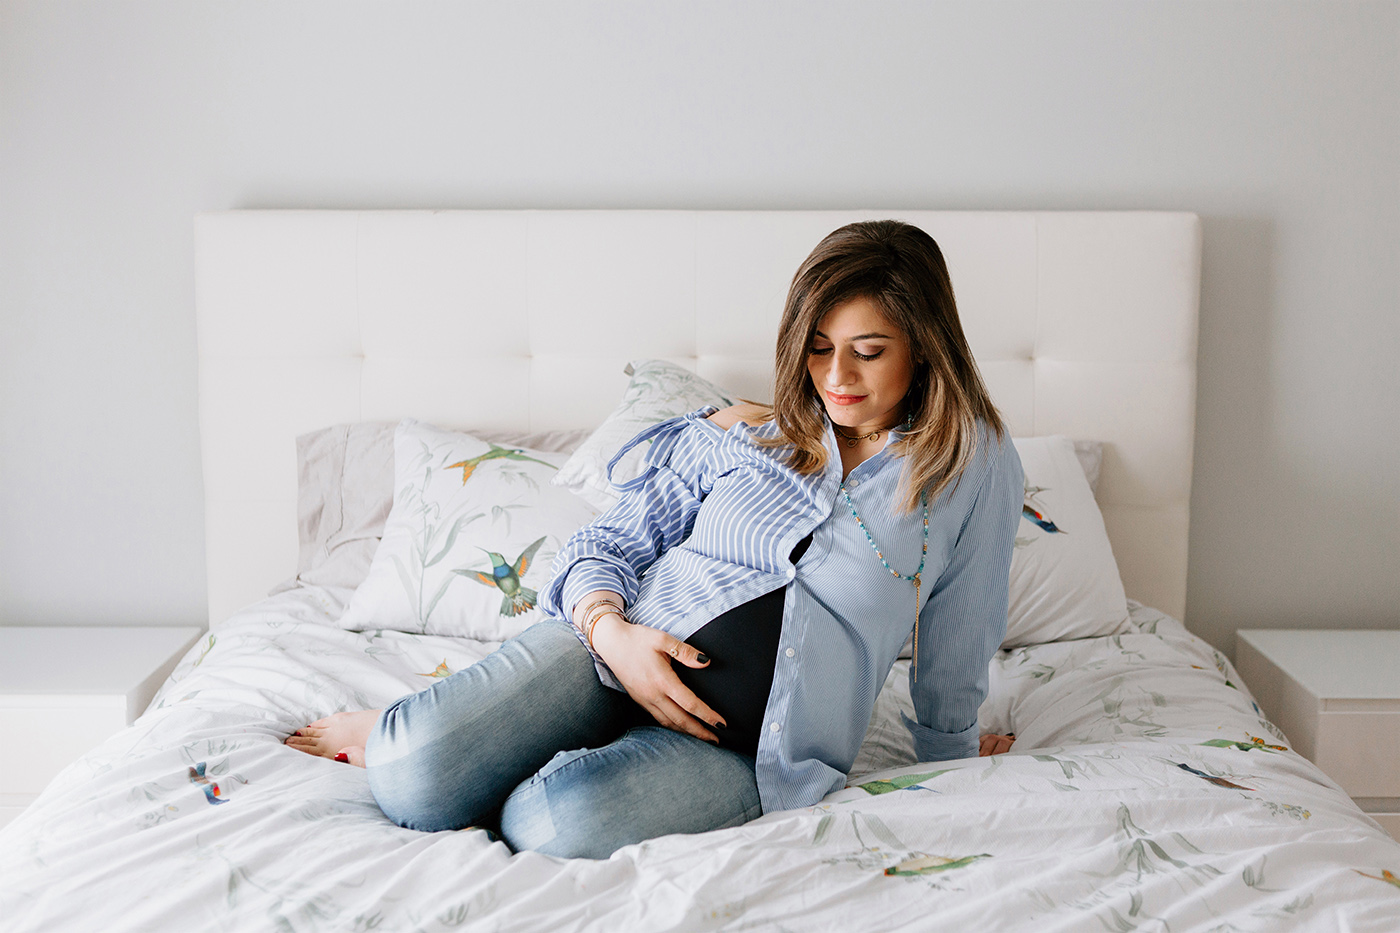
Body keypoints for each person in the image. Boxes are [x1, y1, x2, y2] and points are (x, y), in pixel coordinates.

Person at [286, 219, 1022, 859]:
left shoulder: (970, 463)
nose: (836, 375)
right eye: (819, 346)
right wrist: (615, 637)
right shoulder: (744, 432)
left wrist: (951, 752)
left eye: (868, 350)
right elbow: (606, 542)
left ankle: (491, 755)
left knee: (551, 823)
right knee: (413, 766)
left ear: (924, 348)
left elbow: (960, 626)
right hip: (605, 654)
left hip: (744, 751)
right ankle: (419, 735)